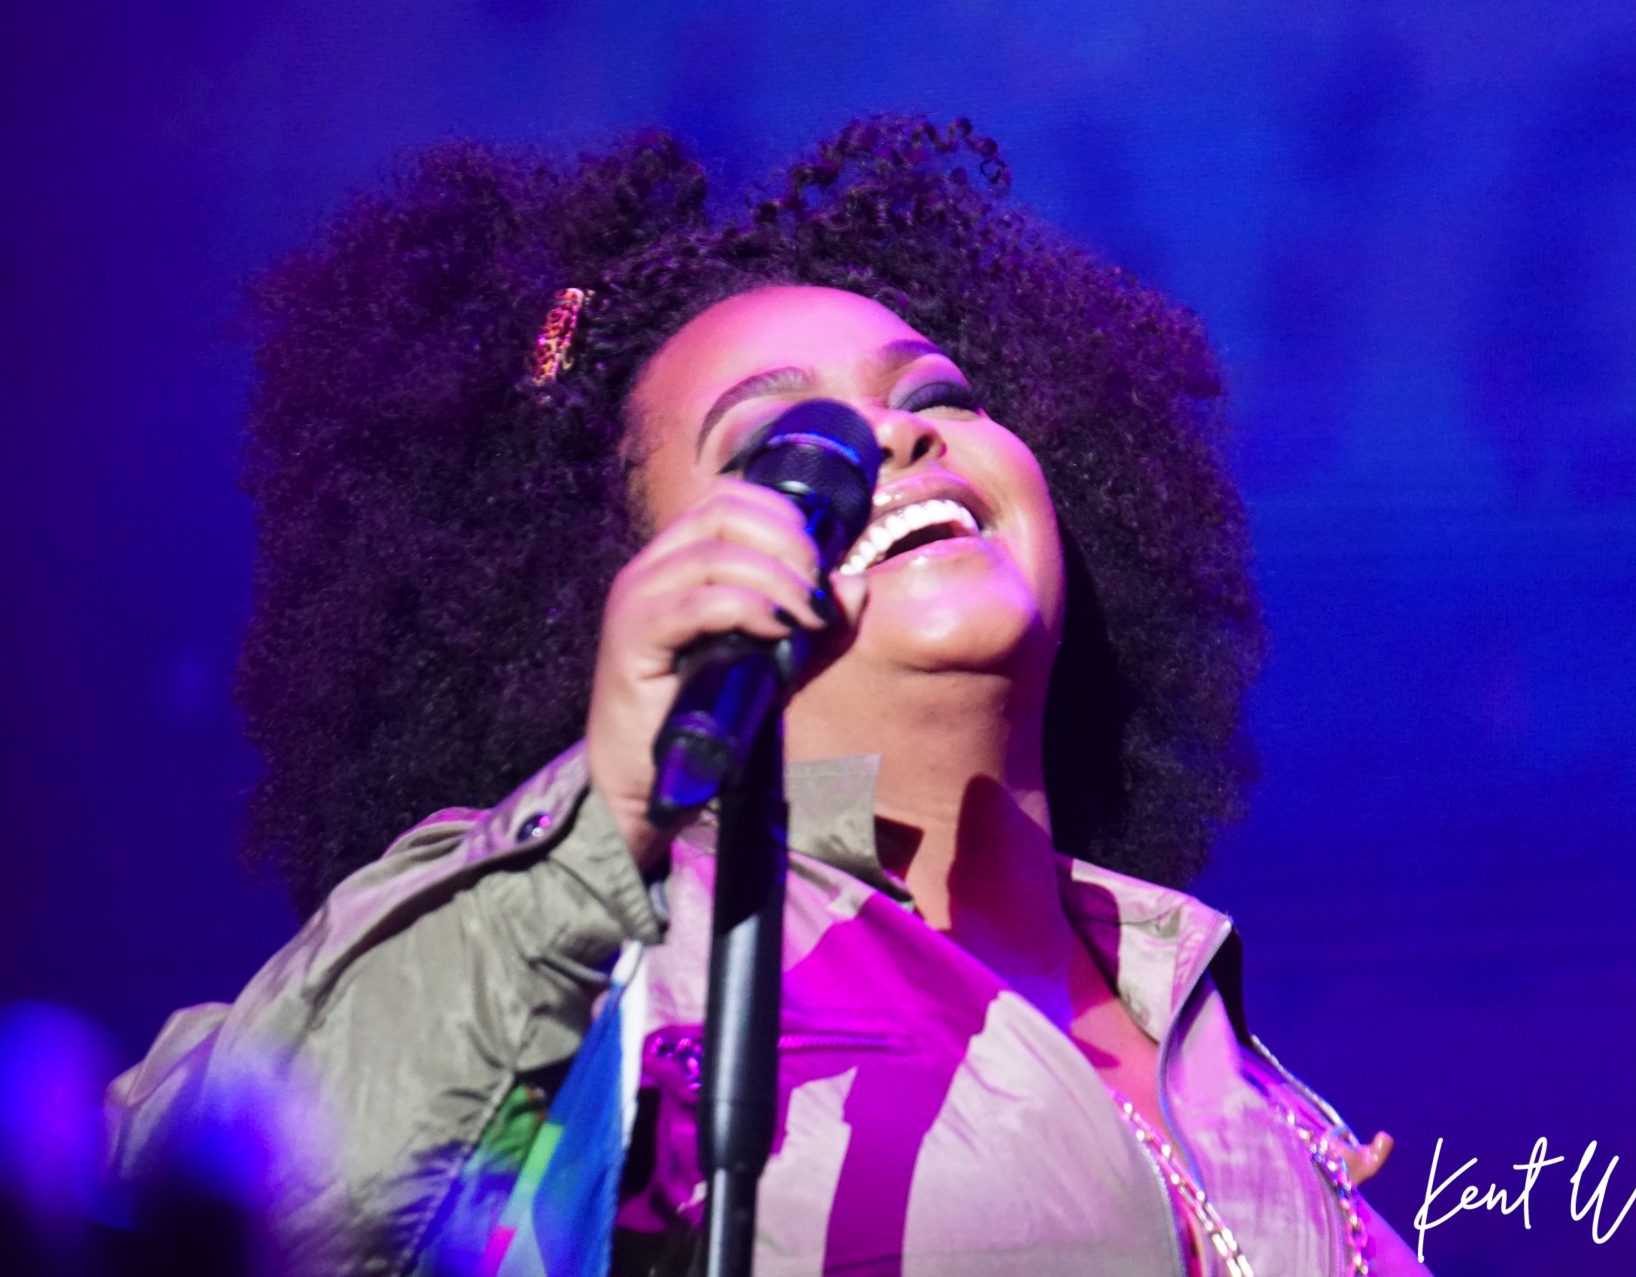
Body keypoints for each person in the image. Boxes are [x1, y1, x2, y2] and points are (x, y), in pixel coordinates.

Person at [106, 116, 1429, 1275]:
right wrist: (603, 816)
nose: (896, 435)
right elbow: (234, 1210)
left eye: (939, 394)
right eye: (786, 448)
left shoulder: (1212, 1031)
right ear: (615, 593)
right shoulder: (603, 959)